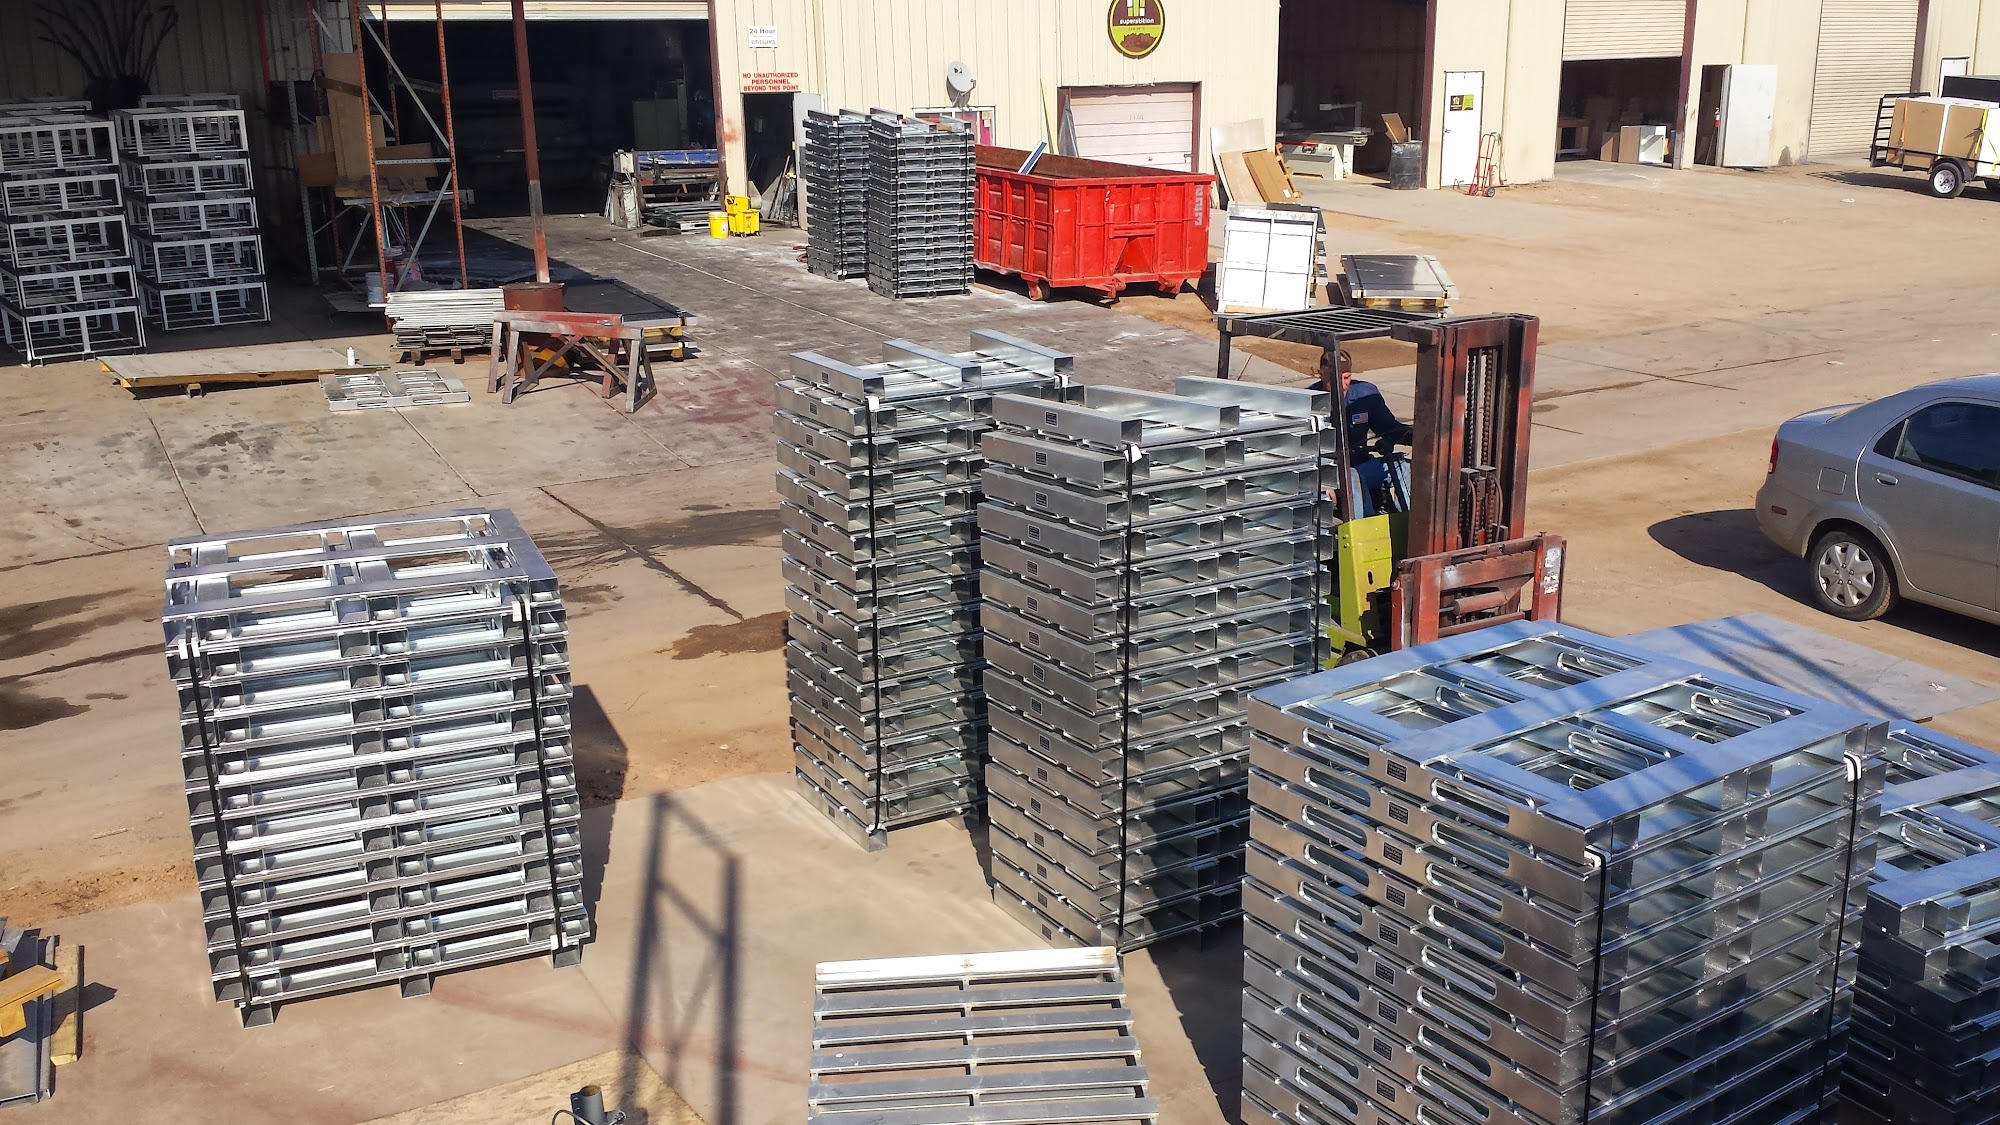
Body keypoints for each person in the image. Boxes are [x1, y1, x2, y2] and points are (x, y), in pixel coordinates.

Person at [1317, 347, 1412, 516]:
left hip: (1361, 463)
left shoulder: (1365, 395)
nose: (1342, 385)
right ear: (1321, 374)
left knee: (1401, 467)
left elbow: (1388, 428)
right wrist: (1322, 482)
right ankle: (1363, 529)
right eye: (1335, 379)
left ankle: (1408, 522)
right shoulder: (1309, 401)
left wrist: (1419, 437)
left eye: (1347, 378)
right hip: (1328, 472)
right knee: (1353, 477)